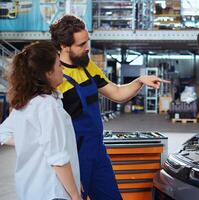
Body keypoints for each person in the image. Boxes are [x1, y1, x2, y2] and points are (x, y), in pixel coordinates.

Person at [49, 15, 169, 200]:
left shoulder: (87, 66)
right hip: (73, 157)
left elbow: (117, 93)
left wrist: (139, 82)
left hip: (97, 152)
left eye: (87, 41)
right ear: (64, 46)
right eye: (81, 45)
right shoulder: (54, 76)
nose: (87, 48)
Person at [0, 41, 81, 200]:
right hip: (53, 191)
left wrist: (32, 140)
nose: (62, 69)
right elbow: (58, 158)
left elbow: (2, 132)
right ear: (48, 72)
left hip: (32, 190)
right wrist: (75, 194)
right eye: (58, 65)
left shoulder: (26, 102)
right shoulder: (47, 105)